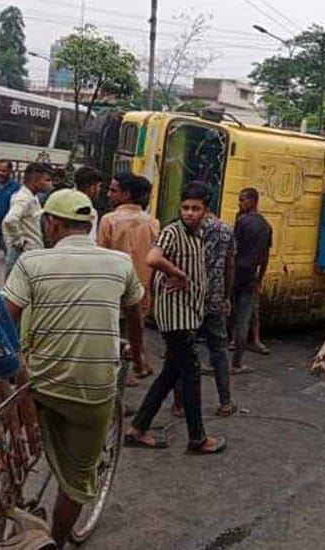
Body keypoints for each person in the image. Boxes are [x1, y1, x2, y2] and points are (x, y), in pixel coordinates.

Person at [0, 189, 148, 549]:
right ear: (88, 225)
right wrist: (140, 357)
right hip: (93, 391)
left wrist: (8, 370)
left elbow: (5, 321)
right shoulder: (120, 264)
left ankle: (12, 498)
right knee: (78, 480)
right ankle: (59, 541)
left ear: (51, 224)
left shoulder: (32, 263)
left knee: (15, 455)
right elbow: (134, 315)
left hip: (39, 384)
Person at [125, 184, 226, 453]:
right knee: (191, 373)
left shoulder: (199, 234)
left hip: (189, 315)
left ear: (206, 211)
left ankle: (138, 428)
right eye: (186, 208)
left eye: (196, 209)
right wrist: (177, 274)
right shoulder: (172, 232)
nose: (190, 213)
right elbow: (153, 258)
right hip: (176, 318)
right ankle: (198, 438)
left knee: (169, 375)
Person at [173, 206, 237, 417]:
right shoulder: (226, 230)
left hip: (188, 297)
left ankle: (180, 404)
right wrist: (227, 296)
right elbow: (229, 266)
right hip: (214, 299)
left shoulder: (184, 228)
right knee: (219, 350)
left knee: (183, 350)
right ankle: (225, 402)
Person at [97, 172, 160, 378]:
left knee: (110, 340)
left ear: (126, 194)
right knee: (132, 335)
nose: (109, 194)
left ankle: (114, 384)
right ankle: (130, 373)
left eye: (113, 190)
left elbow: (101, 256)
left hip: (112, 289)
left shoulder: (109, 220)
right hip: (141, 289)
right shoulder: (152, 222)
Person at [232, 188, 272, 373]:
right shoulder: (266, 226)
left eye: (242, 200)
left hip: (236, 273)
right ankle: (237, 362)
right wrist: (260, 278)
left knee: (225, 315)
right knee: (244, 319)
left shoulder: (242, 221)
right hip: (251, 276)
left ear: (252, 201)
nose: (239, 203)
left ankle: (215, 360)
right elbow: (265, 257)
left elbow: (233, 250)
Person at [2, 163, 53, 276]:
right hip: (24, 253)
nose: (50, 184)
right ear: (35, 180)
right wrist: (19, 241)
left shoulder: (32, 197)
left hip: (30, 253)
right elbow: (9, 220)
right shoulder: (24, 198)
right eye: (46, 180)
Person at [0, 160, 21, 269]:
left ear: (10, 172)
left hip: (9, 234)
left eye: (3, 171)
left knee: (12, 267)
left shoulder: (17, 189)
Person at [74, 166, 105, 240]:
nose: (99, 190)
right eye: (99, 186)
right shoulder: (90, 211)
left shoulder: (63, 203)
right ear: (92, 188)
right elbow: (91, 239)